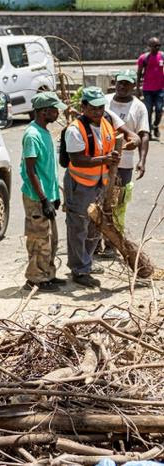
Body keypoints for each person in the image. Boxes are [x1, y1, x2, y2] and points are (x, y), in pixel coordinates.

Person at [63, 87, 137, 288]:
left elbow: (131, 135)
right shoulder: (75, 130)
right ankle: (79, 270)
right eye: (93, 108)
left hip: (100, 184)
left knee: (96, 225)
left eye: (101, 107)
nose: (98, 112)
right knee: (79, 226)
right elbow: (77, 160)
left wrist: (133, 140)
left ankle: (86, 262)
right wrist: (105, 159)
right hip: (80, 185)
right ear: (83, 107)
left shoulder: (107, 121)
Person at [20, 92, 66, 292]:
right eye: (55, 110)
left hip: (47, 196)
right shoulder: (32, 135)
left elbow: (48, 169)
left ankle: (48, 274)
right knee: (39, 239)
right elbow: (31, 171)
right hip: (37, 197)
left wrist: (54, 196)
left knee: (51, 239)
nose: (58, 113)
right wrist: (44, 198)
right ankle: (35, 278)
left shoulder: (44, 132)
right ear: (44, 111)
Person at [107, 70, 151, 234]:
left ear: (134, 86)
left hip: (124, 163)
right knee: (99, 199)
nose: (122, 86)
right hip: (101, 160)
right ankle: (96, 241)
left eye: (127, 83)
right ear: (115, 83)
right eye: (120, 82)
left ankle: (114, 239)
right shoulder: (104, 102)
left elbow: (144, 134)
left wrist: (142, 160)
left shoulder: (139, 107)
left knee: (119, 201)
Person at [137, 37, 164, 140]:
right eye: (155, 46)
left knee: (159, 110)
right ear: (150, 46)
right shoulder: (144, 58)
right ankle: (148, 132)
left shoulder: (162, 56)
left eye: (159, 45)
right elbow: (139, 73)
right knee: (147, 111)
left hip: (160, 89)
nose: (157, 47)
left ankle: (156, 125)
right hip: (147, 89)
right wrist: (137, 88)